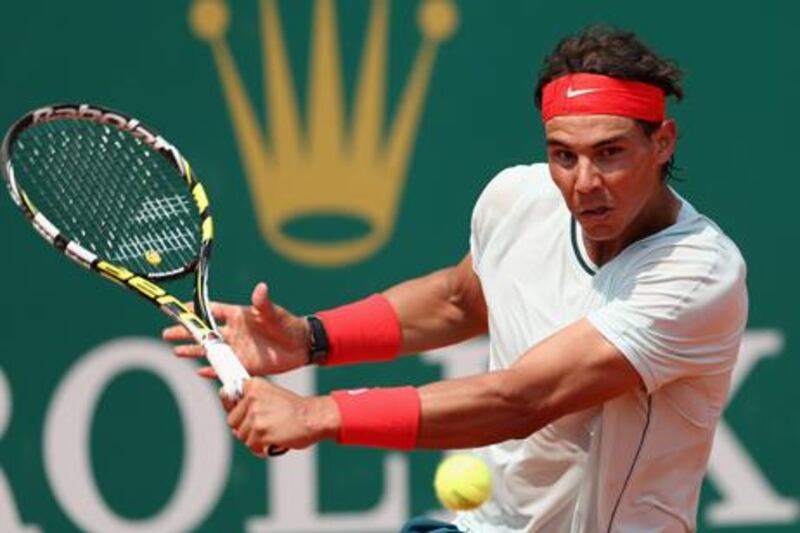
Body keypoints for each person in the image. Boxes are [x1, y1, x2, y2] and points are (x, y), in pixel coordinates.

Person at [163, 26, 748, 532]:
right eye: (564, 155)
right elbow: (458, 299)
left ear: (662, 142)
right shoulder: (518, 197)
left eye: (611, 152)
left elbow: (524, 399)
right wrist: (311, 339)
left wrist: (320, 415)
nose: (584, 182)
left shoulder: (697, 273)